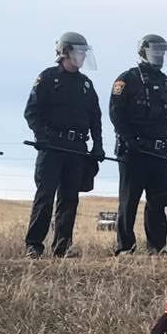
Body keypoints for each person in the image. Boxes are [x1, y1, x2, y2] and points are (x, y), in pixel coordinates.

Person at [110, 34, 167, 255]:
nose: (159, 55)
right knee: (129, 200)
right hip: (135, 151)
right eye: (155, 50)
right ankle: (125, 247)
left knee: (158, 201)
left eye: (162, 51)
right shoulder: (128, 79)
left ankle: (157, 247)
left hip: (160, 152)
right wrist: (129, 140)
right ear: (144, 52)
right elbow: (116, 113)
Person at [23, 32, 103, 258]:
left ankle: (63, 246)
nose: (82, 57)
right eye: (78, 52)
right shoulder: (48, 78)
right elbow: (31, 112)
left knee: (70, 198)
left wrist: (97, 145)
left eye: (84, 53)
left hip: (77, 148)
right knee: (45, 196)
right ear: (65, 52)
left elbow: (95, 118)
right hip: (52, 147)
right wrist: (42, 136)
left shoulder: (86, 84)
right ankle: (33, 246)